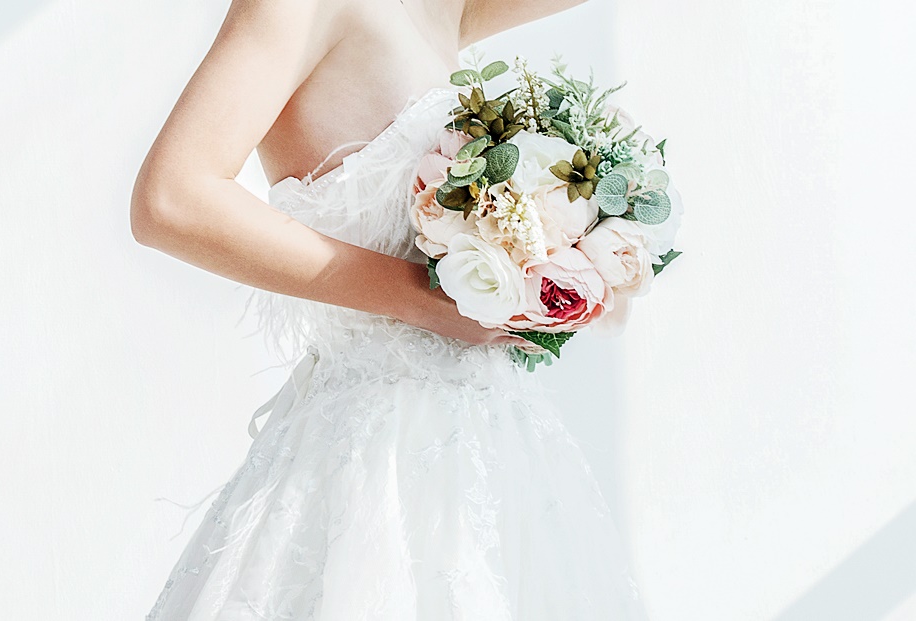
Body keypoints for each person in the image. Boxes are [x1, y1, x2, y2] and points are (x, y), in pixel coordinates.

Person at [132, 0, 650, 618]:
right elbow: (170, 199)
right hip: (373, 455)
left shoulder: (445, 9)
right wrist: (420, 298)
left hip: (497, 451)